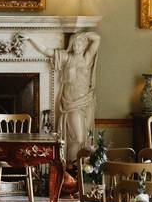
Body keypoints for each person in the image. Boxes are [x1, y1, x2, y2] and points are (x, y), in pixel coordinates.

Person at [28, 32, 101, 162]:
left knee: (83, 138)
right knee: (77, 138)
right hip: (71, 104)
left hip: (85, 102)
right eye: (74, 43)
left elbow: (97, 38)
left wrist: (82, 35)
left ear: (85, 45)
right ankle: (70, 167)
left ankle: (77, 169)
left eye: (79, 43)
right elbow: (46, 50)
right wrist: (30, 38)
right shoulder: (67, 58)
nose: (76, 45)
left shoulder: (87, 59)